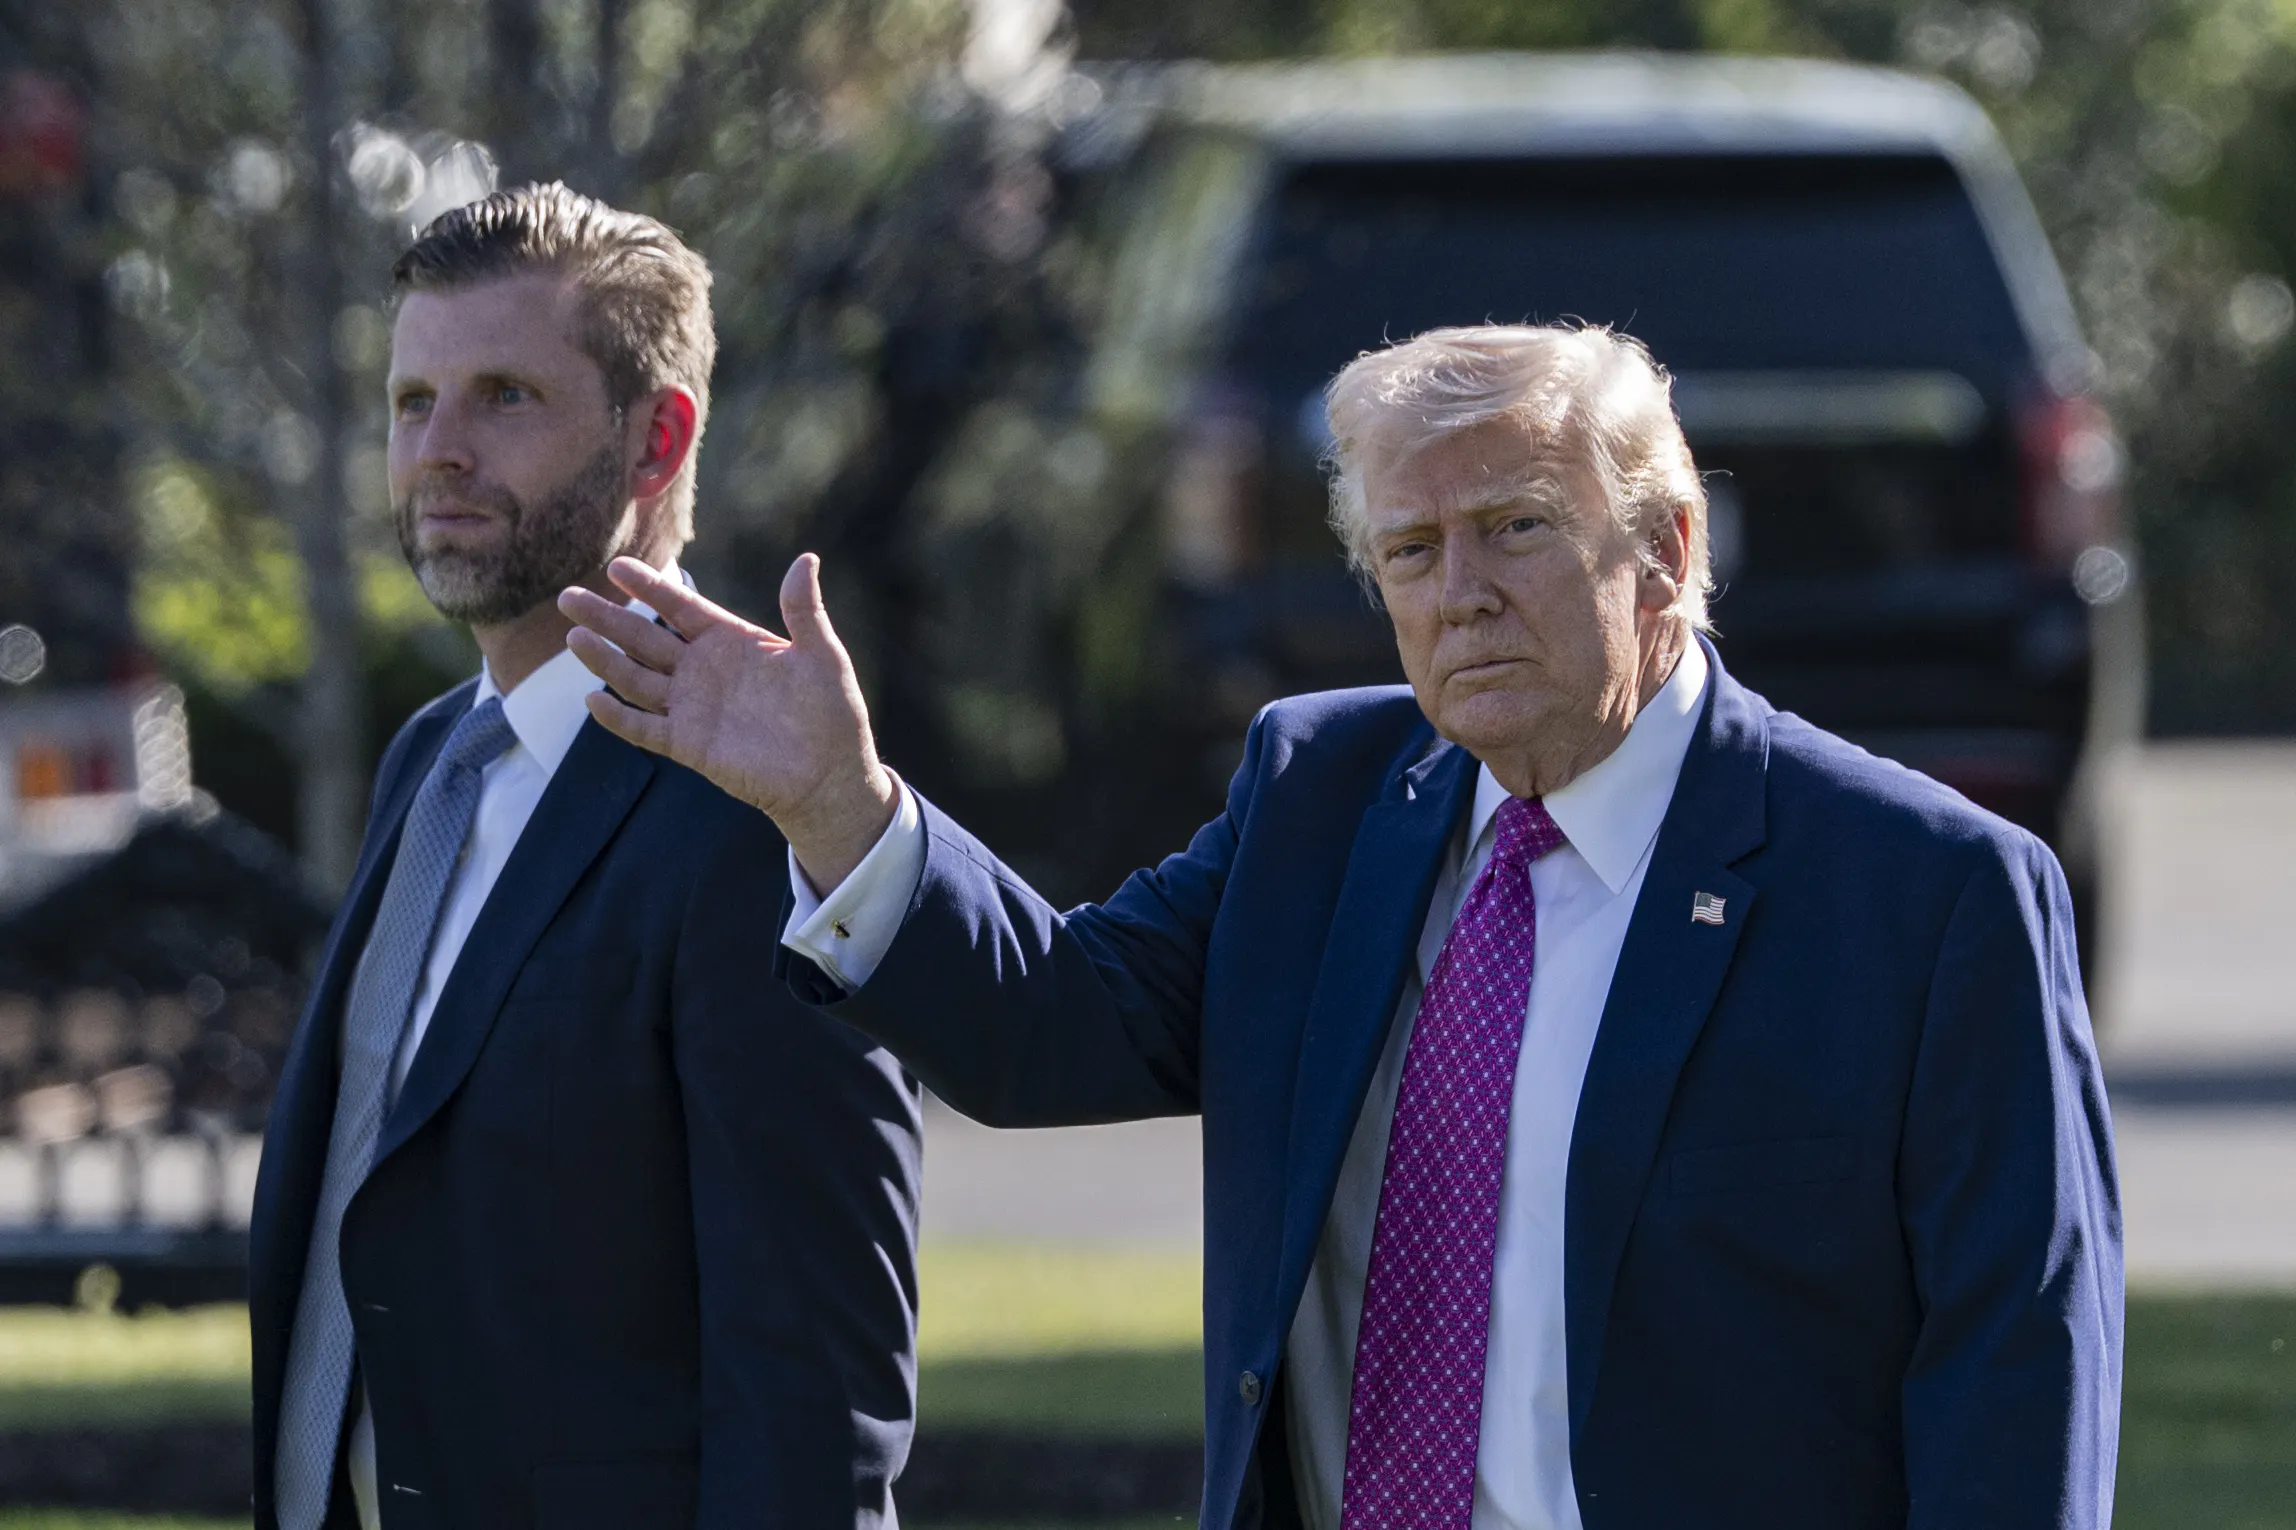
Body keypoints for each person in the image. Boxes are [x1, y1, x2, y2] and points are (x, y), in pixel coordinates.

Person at [561, 324, 2122, 1530]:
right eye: (1412, 551)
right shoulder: (1322, 793)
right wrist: (841, 806)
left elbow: (2018, 1379)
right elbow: (1053, 1026)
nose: (1461, 593)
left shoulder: (1926, 895)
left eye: (1515, 527)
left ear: (1667, 551)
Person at [249, 183, 923, 1530]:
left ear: (654, 440)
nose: (437, 449)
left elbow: (814, 1379)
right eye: (410, 400)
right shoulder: (429, 761)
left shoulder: (763, 808)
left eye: (504, 395)